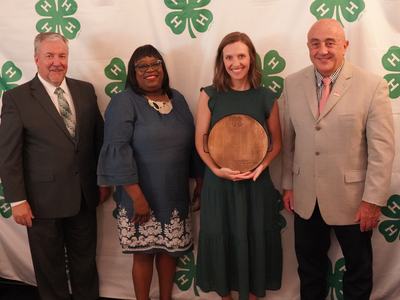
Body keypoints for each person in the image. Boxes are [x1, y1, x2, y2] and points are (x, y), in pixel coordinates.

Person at [281, 19, 395, 300]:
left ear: (345, 46)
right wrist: (288, 185)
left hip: (355, 200)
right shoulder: (292, 84)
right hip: (306, 198)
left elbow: (382, 149)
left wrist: (373, 200)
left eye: (330, 43)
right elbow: (289, 141)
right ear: (308, 47)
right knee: (309, 271)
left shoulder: (372, 86)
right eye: (315, 43)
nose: (323, 50)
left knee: (358, 270)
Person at [0, 32, 109, 300]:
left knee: (85, 265)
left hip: (84, 197)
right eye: (49, 56)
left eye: (62, 55)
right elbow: (8, 154)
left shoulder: (85, 91)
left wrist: (103, 181)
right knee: (50, 270)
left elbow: (99, 141)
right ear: (37, 59)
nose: (56, 62)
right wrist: (17, 200)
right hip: (40, 203)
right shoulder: (17, 98)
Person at [97, 44, 202, 300]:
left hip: (174, 193)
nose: (150, 70)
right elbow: (117, 149)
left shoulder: (177, 99)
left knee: (170, 252)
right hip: (139, 194)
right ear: (133, 73)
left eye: (155, 64)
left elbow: (192, 144)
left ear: (163, 69)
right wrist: (136, 197)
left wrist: (200, 181)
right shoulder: (124, 102)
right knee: (143, 254)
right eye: (142, 66)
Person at [195, 32, 283, 300]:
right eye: (229, 57)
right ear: (222, 61)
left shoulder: (267, 97)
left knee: (254, 240)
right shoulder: (209, 95)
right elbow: (201, 142)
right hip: (218, 184)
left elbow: (276, 143)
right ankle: (226, 296)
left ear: (251, 58)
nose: (236, 63)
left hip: (255, 185)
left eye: (241, 56)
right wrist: (216, 170)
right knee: (221, 238)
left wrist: (261, 167)